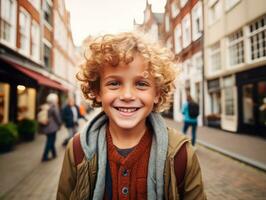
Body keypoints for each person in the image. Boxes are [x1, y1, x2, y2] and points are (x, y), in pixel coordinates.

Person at [57, 32, 206, 199]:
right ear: (97, 91)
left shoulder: (181, 154)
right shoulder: (77, 149)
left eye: (141, 84)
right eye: (114, 83)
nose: (127, 95)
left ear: (157, 93)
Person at [39, 93, 62, 162]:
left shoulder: (46, 106)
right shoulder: (53, 107)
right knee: (50, 141)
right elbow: (57, 117)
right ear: (54, 100)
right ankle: (44, 156)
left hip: (46, 127)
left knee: (51, 140)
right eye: (56, 99)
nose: (57, 100)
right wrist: (60, 124)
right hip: (52, 127)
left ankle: (54, 154)